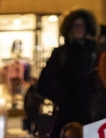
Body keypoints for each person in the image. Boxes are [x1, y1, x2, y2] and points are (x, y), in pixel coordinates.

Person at [37, 9, 98, 138]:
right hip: (66, 114)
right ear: (69, 28)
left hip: (90, 114)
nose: (79, 29)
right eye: (75, 25)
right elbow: (44, 84)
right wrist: (62, 99)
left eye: (82, 25)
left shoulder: (95, 52)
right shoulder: (61, 53)